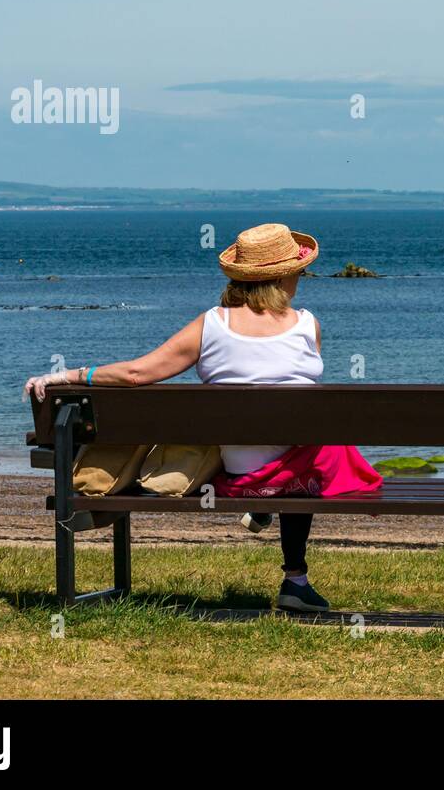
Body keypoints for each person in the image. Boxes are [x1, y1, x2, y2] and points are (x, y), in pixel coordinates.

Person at [23, 222, 382, 612]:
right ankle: (295, 578)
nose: (301, 279)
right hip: (298, 473)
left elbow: (136, 374)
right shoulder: (307, 325)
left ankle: (264, 505)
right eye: (298, 272)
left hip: (235, 472)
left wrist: (69, 375)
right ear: (283, 277)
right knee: (321, 443)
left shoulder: (211, 324)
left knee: (283, 444)